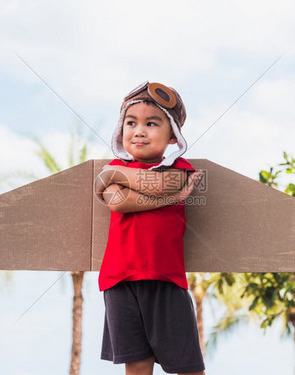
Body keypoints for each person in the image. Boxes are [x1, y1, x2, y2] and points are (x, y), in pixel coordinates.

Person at [95, 81, 205, 375]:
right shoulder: (113, 166)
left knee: (188, 367)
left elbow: (162, 183)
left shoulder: (179, 169)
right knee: (138, 365)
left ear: (172, 136)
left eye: (152, 123)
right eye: (131, 122)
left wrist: (117, 175)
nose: (139, 131)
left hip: (165, 279)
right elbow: (117, 202)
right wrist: (172, 200)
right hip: (119, 281)